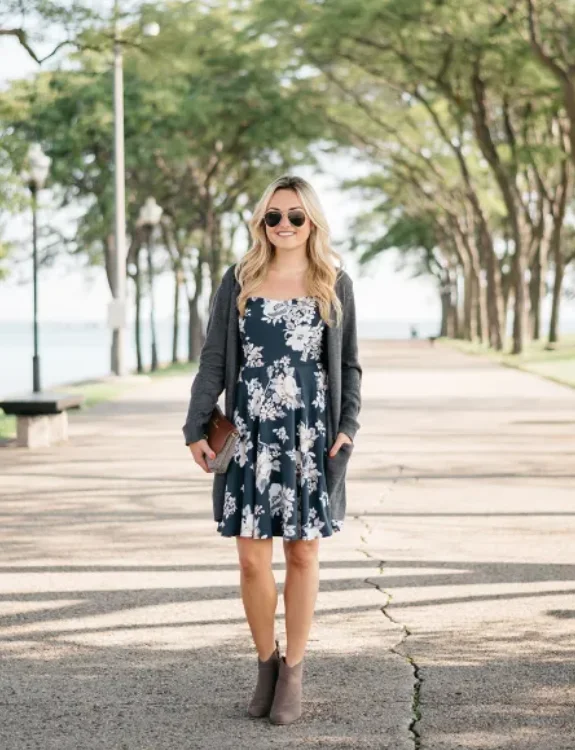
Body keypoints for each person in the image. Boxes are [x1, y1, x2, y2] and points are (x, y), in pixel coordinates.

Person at [182, 174, 362, 725]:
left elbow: (349, 364)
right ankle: (266, 662)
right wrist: (194, 426)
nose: (283, 225)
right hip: (252, 432)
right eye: (273, 217)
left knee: (303, 552)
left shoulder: (334, 281)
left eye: (295, 216)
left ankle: (296, 671)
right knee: (251, 557)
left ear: (313, 222)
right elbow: (214, 358)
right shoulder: (238, 280)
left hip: (309, 436)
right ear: (261, 223)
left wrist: (347, 426)